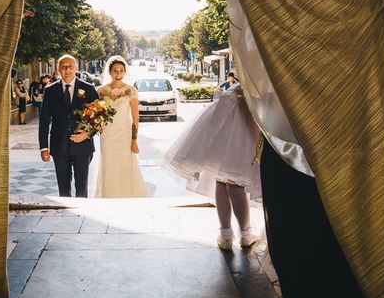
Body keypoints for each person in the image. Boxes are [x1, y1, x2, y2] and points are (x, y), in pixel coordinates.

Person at [163, 83, 261, 249]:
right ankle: (245, 234)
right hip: (242, 118)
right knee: (234, 183)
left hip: (228, 113)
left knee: (221, 181)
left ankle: (225, 235)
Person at [39, 55, 99, 197]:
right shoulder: (50, 91)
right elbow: (44, 121)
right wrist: (43, 147)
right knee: (63, 188)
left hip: (83, 146)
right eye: (63, 67)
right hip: (59, 146)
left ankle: (82, 214)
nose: (67, 70)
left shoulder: (88, 89)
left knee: (82, 187)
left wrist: (87, 134)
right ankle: (65, 215)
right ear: (58, 69)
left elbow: (99, 117)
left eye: (70, 66)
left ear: (76, 68)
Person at [93, 56, 148, 198]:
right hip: (107, 136)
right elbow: (96, 114)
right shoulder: (101, 91)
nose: (118, 74)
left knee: (125, 166)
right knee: (109, 166)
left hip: (124, 135)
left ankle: (127, 197)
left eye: (121, 71)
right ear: (109, 72)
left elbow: (135, 117)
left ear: (125, 72)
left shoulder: (131, 91)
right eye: (115, 71)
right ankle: (108, 197)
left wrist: (134, 140)